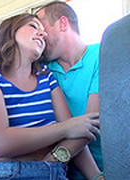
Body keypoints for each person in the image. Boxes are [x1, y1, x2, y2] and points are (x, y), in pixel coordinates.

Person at [0, 13, 101, 179]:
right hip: (5, 172)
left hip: (52, 171)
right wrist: (64, 129)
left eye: (44, 31)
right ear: (11, 31)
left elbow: (78, 129)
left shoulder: (47, 78)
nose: (42, 34)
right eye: (33, 26)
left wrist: (96, 176)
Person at [36, 1, 102, 179]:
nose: (39, 37)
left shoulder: (101, 55)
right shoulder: (41, 69)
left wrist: (50, 162)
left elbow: (92, 123)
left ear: (63, 24)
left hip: (106, 168)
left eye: (42, 29)